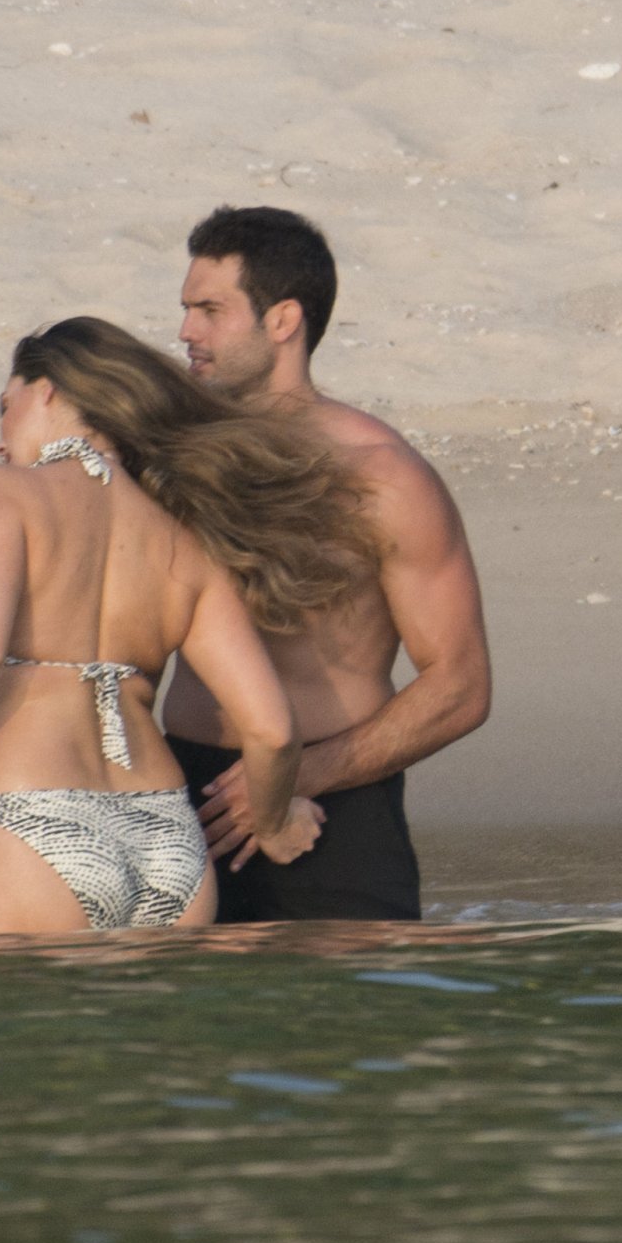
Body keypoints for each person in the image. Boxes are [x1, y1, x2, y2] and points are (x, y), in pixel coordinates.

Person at [0, 316, 371, 936]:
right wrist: (271, 823)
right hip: (167, 843)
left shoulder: (1, 493)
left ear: (48, 390)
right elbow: (271, 730)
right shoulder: (184, 540)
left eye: (5, 407)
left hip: (33, 823)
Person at [164, 205, 492, 923]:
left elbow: (461, 686)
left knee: (350, 996)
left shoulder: (381, 475)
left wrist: (292, 777)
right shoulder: (173, 457)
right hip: (181, 797)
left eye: (210, 311)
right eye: (186, 309)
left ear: (283, 320)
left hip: (332, 803)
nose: (186, 330)